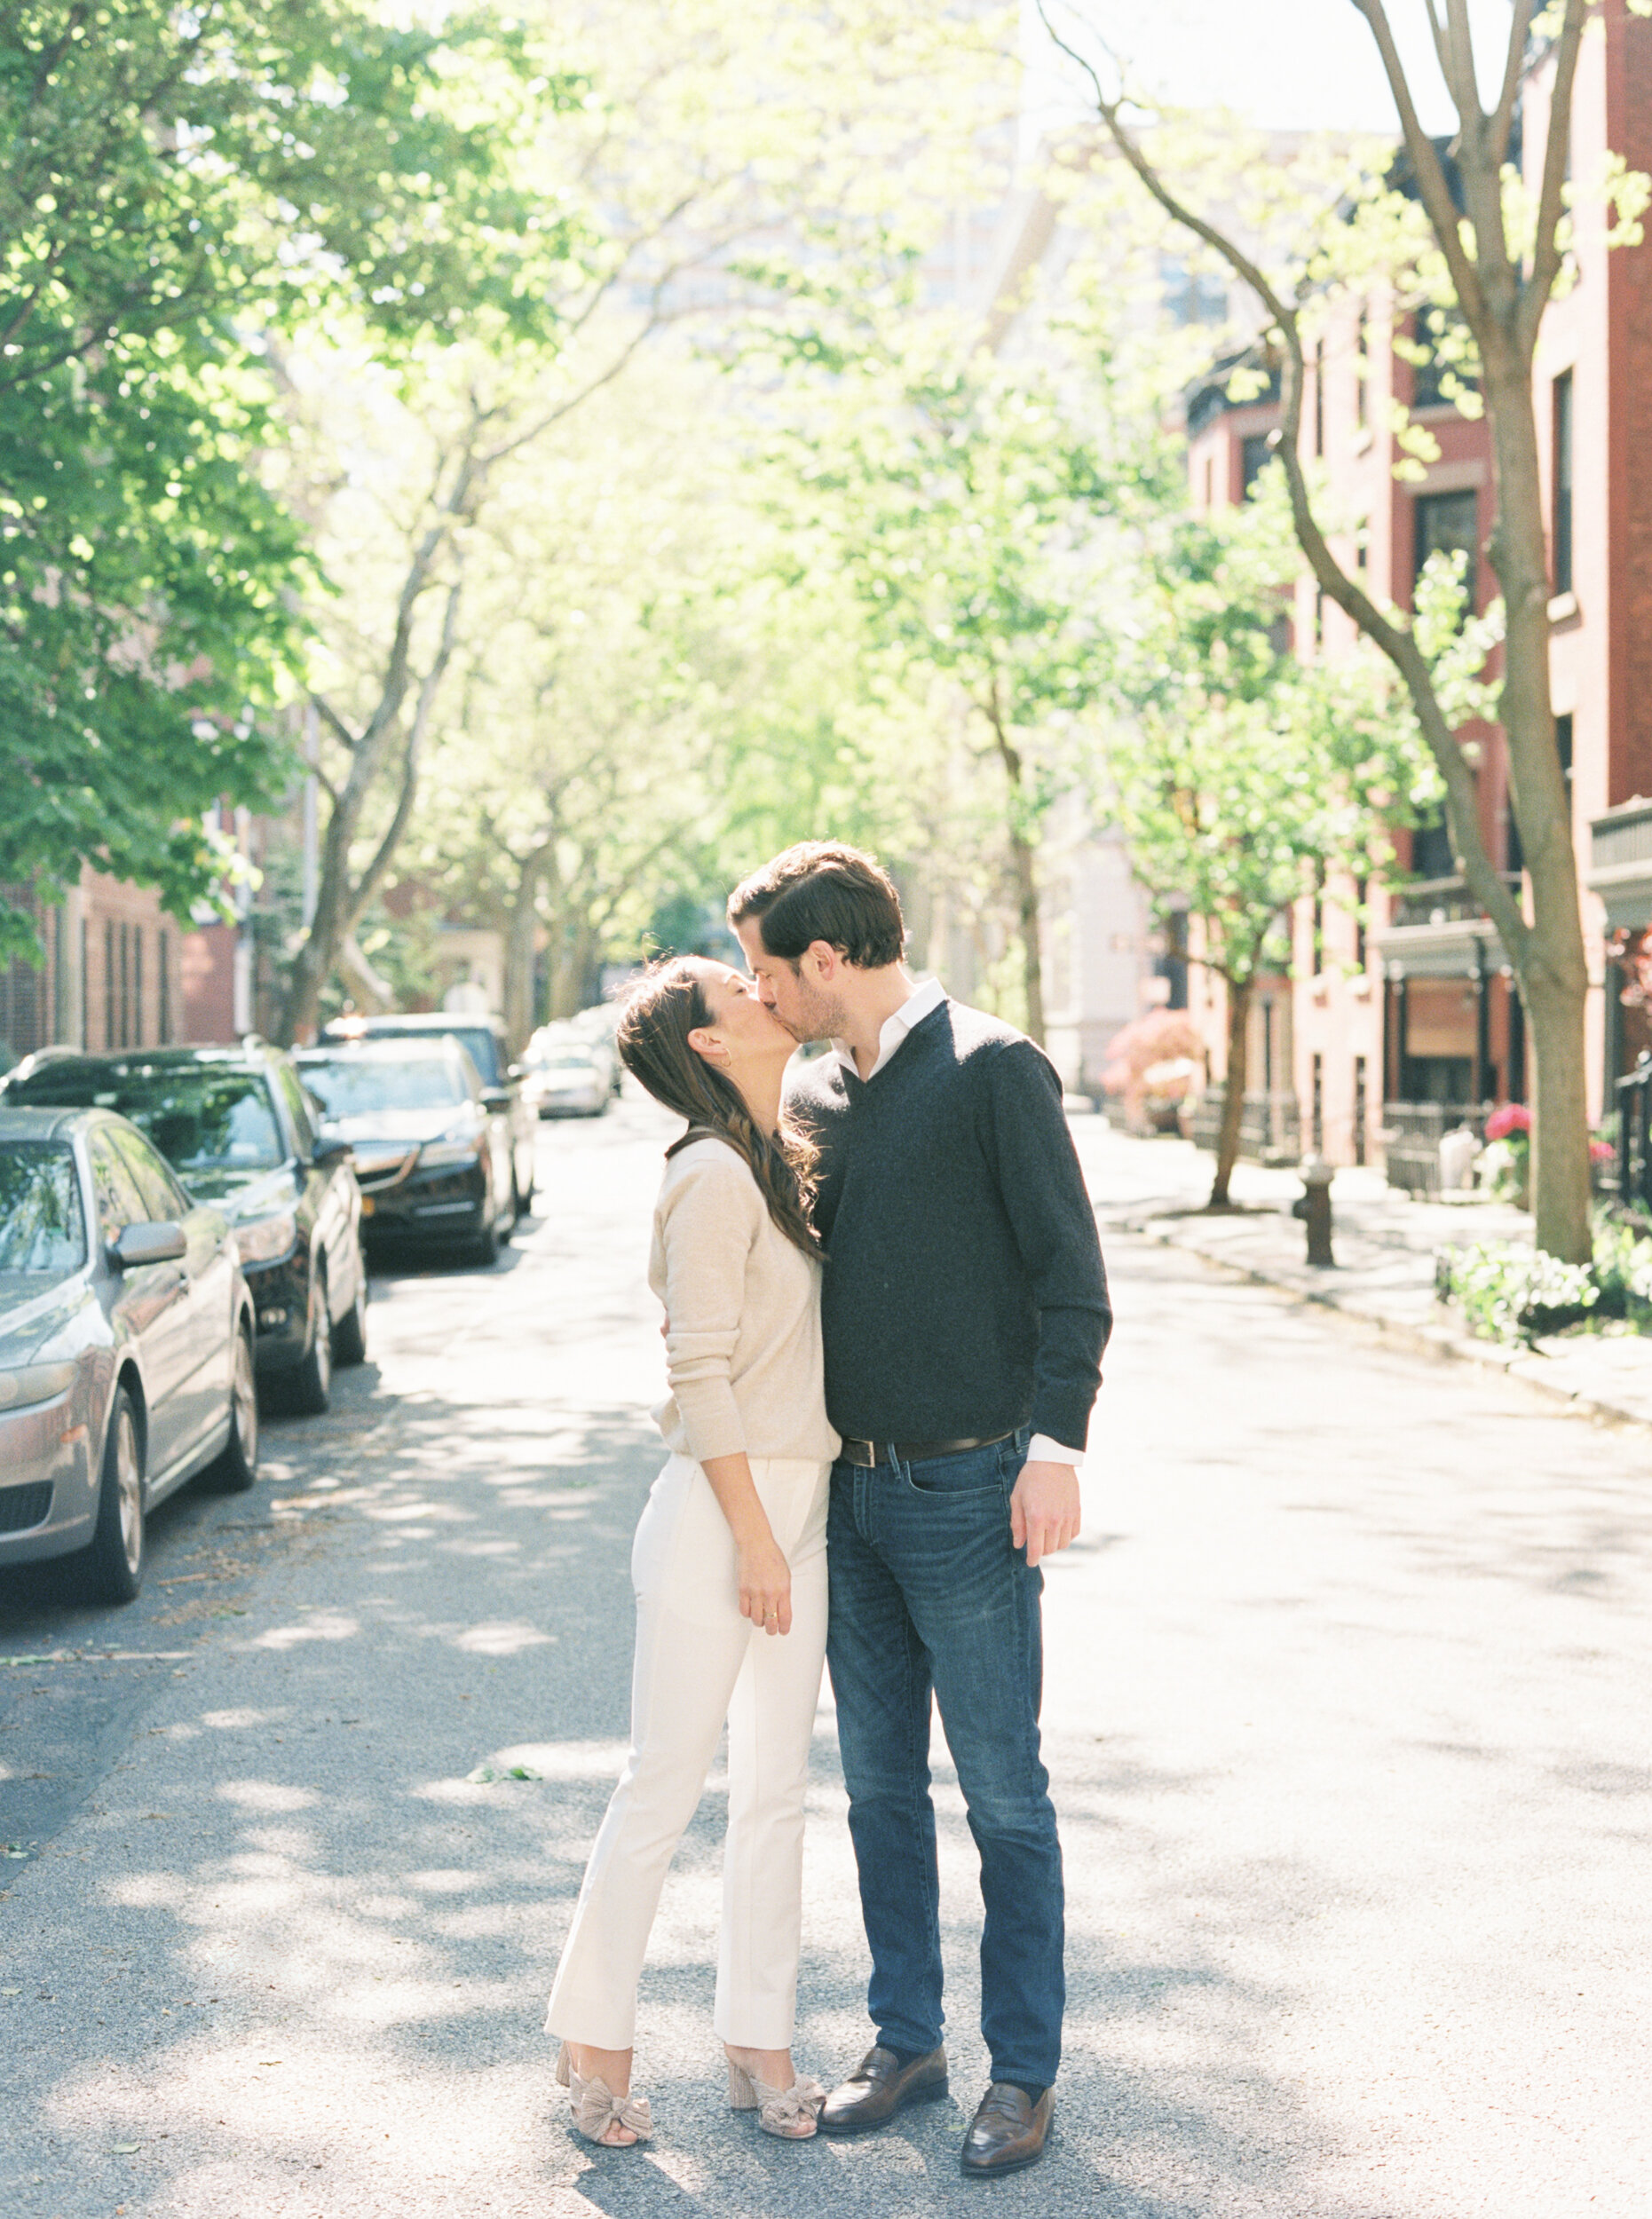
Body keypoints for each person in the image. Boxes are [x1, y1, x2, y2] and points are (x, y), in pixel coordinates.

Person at [729, 841, 1111, 2181]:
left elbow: (1073, 1280)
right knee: (879, 1788)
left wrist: (1053, 1449)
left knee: (1003, 1796)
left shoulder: (996, 1068)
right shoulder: (820, 1087)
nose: (759, 991)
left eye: (769, 970)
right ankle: (908, 2040)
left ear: (827, 960)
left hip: (971, 1490)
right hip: (851, 1491)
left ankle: (1023, 2072)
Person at [544, 957, 839, 2148]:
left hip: (797, 1502)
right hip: (723, 1517)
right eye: (738, 988)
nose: (763, 990)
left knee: (774, 1793)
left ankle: (754, 2039)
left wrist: (786, 1530)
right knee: (662, 1785)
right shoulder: (712, 1175)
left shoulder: (774, 1161)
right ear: (710, 1046)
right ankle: (595, 2041)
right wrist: (757, 1542)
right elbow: (697, 1373)